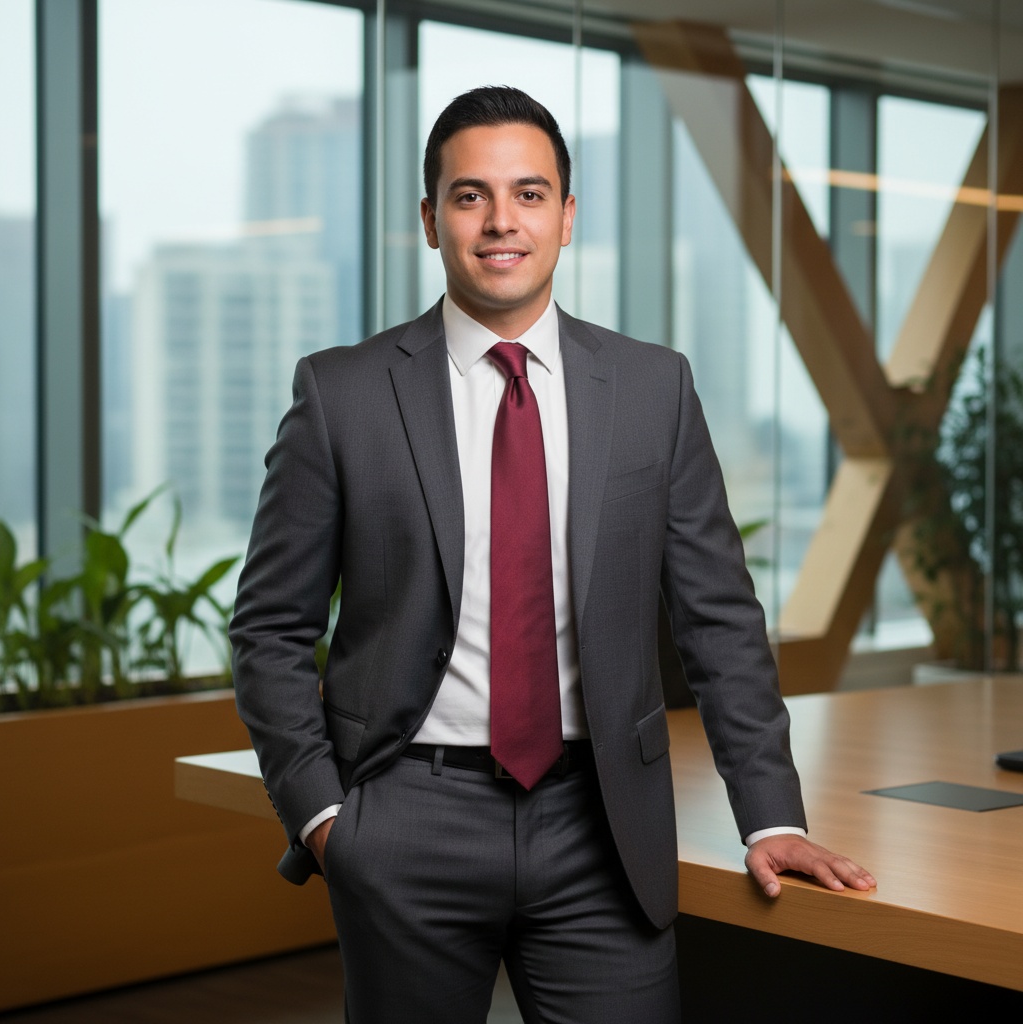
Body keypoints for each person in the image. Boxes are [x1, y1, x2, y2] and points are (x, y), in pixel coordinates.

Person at [230, 85, 875, 1024]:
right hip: (408, 817)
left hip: (604, 826)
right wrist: (330, 823)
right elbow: (270, 629)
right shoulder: (344, 395)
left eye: (530, 194)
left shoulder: (655, 387)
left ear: (567, 218)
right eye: (470, 195)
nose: (502, 221)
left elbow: (719, 618)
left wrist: (770, 816)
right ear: (429, 218)